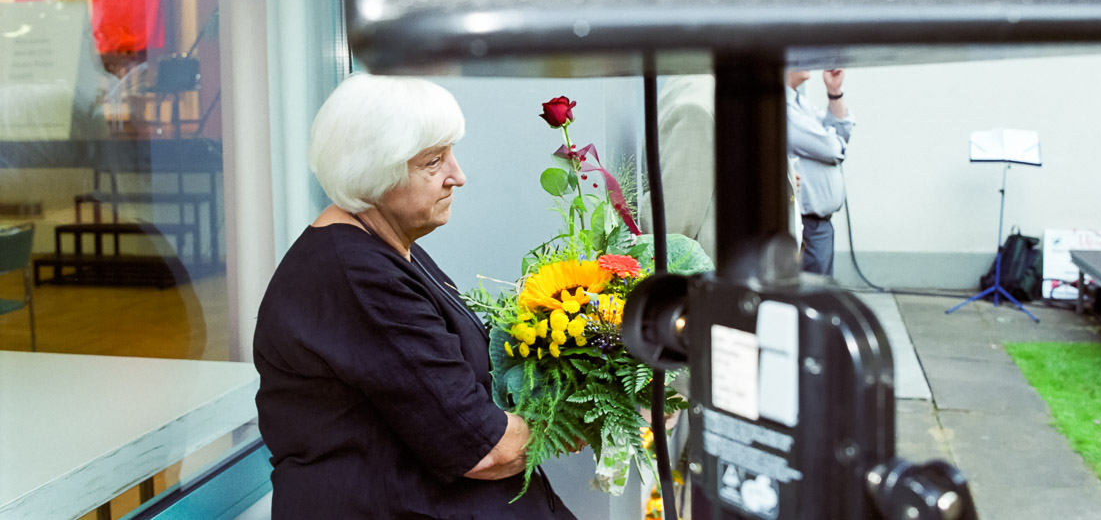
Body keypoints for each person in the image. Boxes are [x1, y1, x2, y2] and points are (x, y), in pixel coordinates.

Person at [253, 73, 576, 519]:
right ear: (372, 171)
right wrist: (574, 417)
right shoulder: (359, 278)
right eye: (433, 161)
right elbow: (485, 450)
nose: (457, 176)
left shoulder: (386, 248)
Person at [639, 74, 802, 258]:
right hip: (722, 273)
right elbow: (672, 229)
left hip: (747, 266)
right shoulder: (698, 105)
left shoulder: (729, 88)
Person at [786, 68, 855, 276]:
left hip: (819, 225)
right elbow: (832, 150)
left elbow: (841, 131)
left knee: (819, 287)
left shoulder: (800, 103)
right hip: (807, 225)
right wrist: (833, 139)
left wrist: (834, 91)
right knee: (810, 292)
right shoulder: (783, 107)